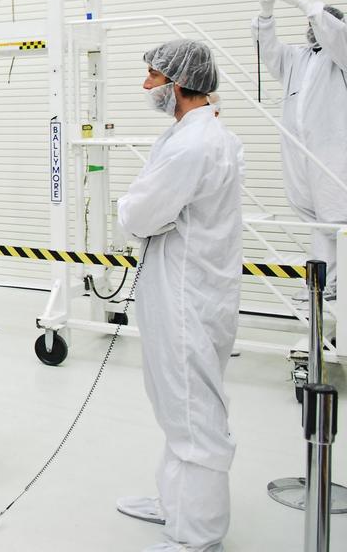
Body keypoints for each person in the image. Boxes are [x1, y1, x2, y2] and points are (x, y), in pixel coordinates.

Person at [116, 39, 243, 552]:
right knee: (177, 403)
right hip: (185, 288)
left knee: (193, 411)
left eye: (153, 78)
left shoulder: (195, 145)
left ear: (179, 84)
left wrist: (132, 207)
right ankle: (176, 504)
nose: (147, 87)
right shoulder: (198, 135)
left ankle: (199, 534)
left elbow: (140, 214)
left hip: (187, 295)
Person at [253, 0, 347, 300]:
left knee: (335, 217)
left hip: (332, 151)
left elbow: (337, 37)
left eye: (317, 24)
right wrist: (266, 15)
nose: (312, 30)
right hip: (299, 150)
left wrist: (302, 4)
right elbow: (268, 51)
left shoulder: (341, 57)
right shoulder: (298, 58)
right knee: (315, 217)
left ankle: (334, 284)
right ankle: (323, 285)